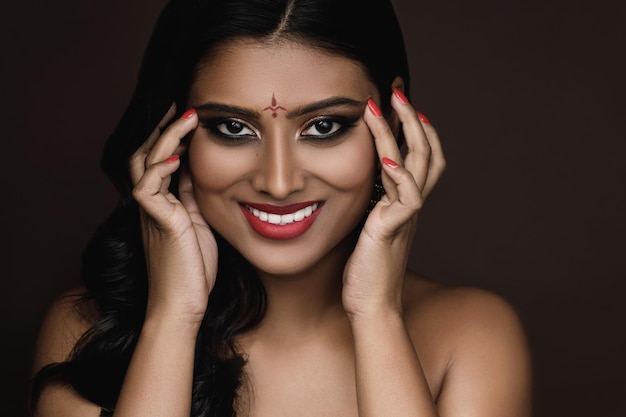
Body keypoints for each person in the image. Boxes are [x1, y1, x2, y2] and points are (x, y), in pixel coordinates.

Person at [30, 0, 532, 416]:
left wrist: (377, 315)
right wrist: (174, 318)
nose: (278, 181)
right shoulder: (90, 331)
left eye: (323, 127)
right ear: (171, 139)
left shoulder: (471, 336)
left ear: (397, 125)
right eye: (231, 127)